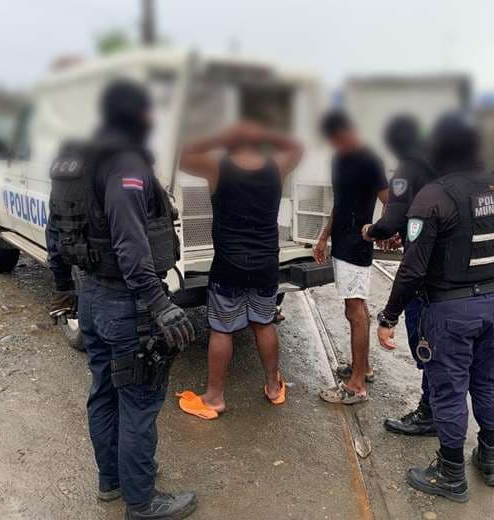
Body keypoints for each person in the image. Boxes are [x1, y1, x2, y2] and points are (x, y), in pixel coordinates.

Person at [47, 79, 197, 519]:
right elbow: (130, 245)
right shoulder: (125, 163)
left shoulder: (77, 158)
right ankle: (142, 502)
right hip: (126, 303)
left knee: (105, 391)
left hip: (91, 296)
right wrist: (159, 304)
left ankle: (112, 480)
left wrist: (63, 285)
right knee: (139, 399)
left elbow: (55, 231)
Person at [375, 112, 494, 503]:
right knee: (488, 383)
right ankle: (489, 459)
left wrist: (388, 316)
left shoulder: (433, 196)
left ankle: (451, 473)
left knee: (449, 390)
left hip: (452, 311)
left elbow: (411, 269)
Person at [175, 121, 303, 419]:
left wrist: (218, 136)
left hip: (229, 265)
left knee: (222, 329)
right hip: (266, 264)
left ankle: (214, 398)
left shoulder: (217, 168)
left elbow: (184, 156)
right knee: (264, 323)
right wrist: (266, 132)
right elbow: (298, 147)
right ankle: (274, 387)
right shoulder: (276, 168)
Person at [360, 114, 439, 436]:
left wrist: (372, 231)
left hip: (424, 271)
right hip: (451, 266)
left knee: (426, 344)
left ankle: (429, 414)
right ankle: (444, 409)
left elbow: (392, 217)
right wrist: (405, 230)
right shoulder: (441, 166)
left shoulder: (407, 168)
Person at [314, 110, 388, 405]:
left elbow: (389, 202)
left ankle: (356, 385)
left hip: (358, 245)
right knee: (355, 308)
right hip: (341, 243)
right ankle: (363, 367)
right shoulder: (338, 159)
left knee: (356, 311)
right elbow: (340, 203)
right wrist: (324, 237)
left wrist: (381, 232)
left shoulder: (370, 160)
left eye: (336, 139)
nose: (335, 145)